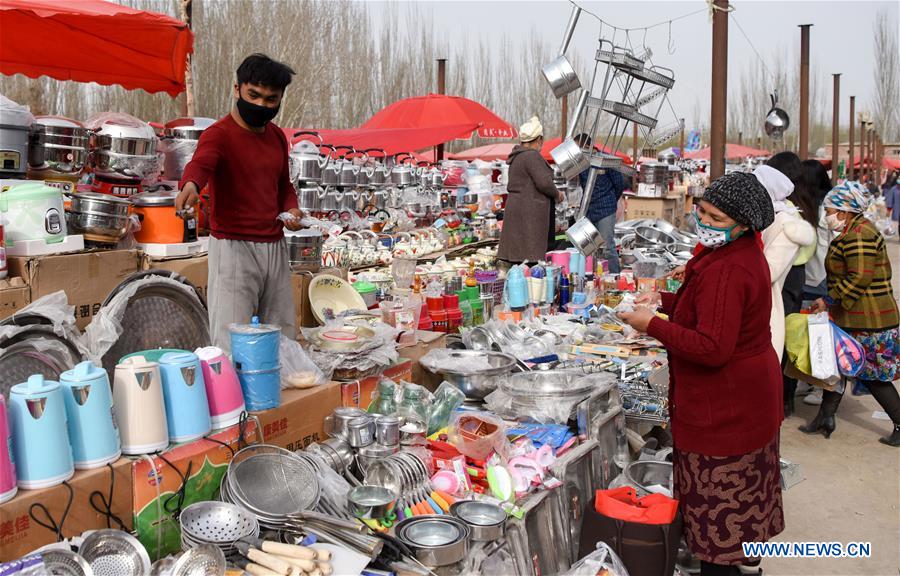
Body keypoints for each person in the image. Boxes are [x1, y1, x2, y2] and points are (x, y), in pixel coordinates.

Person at [619, 172, 783, 576]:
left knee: (720, 524)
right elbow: (713, 310)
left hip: (727, 408)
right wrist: (664, 301)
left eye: (716, 218)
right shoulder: (738, 253)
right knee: (739, 514)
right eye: (703, 212)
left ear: (743, 224)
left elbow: (711, 346)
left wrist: (650, 325)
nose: (705, 222)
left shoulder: (730, 268)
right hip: (747, 398)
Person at [175, 53, 302, 352]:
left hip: (274, 246)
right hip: (233, 249)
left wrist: (292, 209)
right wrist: (190, 185)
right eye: (253, 95)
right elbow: (201, 164)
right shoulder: (218, 135)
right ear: (237, 89)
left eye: (271, 99)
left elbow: (284, 185)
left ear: (280, 99)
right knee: (231, 341)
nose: (261, 105)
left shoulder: (277, 137)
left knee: (282, 339)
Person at [802, 182, 900, 446]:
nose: (827, 216)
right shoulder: (853, 230)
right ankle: (825, 417)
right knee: (838, 367)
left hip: (870, 318)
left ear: (844, 211)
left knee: (872, 375)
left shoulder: (860, 234)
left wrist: (828, 299)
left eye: (830, 211)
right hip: (854, 314)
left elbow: (859, 277)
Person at [755, 160, 815, 367]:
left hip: (778, 291)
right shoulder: (768, 215)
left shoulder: (786, 224)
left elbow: (768, 272)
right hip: (773, 289)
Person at [497, 116, 564, 265]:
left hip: (517, 209)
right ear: (539, 139)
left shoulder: (517, 157)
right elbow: (544, 183)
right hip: (529, 212)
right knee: (530, 261)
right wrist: (557, 194)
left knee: (518, 258)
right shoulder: (532, 156)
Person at [796, 160, 834, 407]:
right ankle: (807, 378)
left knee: (821, 333)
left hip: (820, 279)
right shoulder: (806, 207)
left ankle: (822, 385)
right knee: (804, 331)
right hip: (806, 278)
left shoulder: (826, 211)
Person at [572, 133, 625, 273]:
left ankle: (614, 276)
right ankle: (591, 276)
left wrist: (610, 200)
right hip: (588, 209)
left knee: (607, 248)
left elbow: (619, 184)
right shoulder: (581, 163)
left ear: (588, 147)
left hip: (606, 209)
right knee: (587, 248)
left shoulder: (606, 160)